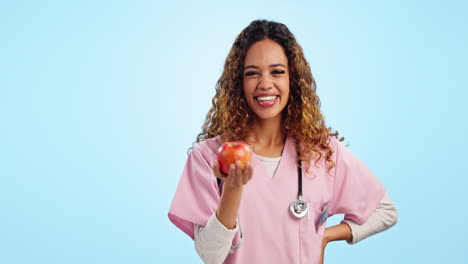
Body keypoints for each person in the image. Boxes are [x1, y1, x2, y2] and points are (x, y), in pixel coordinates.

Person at [168, 19, 397, 264]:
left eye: (277, 71)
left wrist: (325, 237)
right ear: (238, 82)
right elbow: (211, 255)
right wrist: (232, 190)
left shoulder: (322, 152)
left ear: (293, 79)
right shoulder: (209, 156)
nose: (265, 84)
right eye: (252, 73)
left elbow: (385, 212)